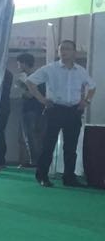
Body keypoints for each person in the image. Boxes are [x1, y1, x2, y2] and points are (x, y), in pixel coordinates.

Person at [26, 39, 96, 187]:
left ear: (74, 52)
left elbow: (92, 86)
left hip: (73, 111)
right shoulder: (50, 69)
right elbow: (30, 82)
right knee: (48, 145)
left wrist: (86, 101)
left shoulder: (80, 71)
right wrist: (42, 99)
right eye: (61, 49)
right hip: (55, 109)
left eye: (67, 49)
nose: (64, 52)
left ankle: (69, 177)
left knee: (71, 147)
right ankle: (42, 176)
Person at [13, 53, 41, 167]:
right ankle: (31, 160)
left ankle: (34, 161)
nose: (18, 66)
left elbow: (30, 95)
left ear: (24, 63)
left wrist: (21, 86)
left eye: (19, 63)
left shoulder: (33, 77)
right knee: (26, 137)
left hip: (32, 110)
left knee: (31, 136)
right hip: (28, 109)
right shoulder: (30, 77)